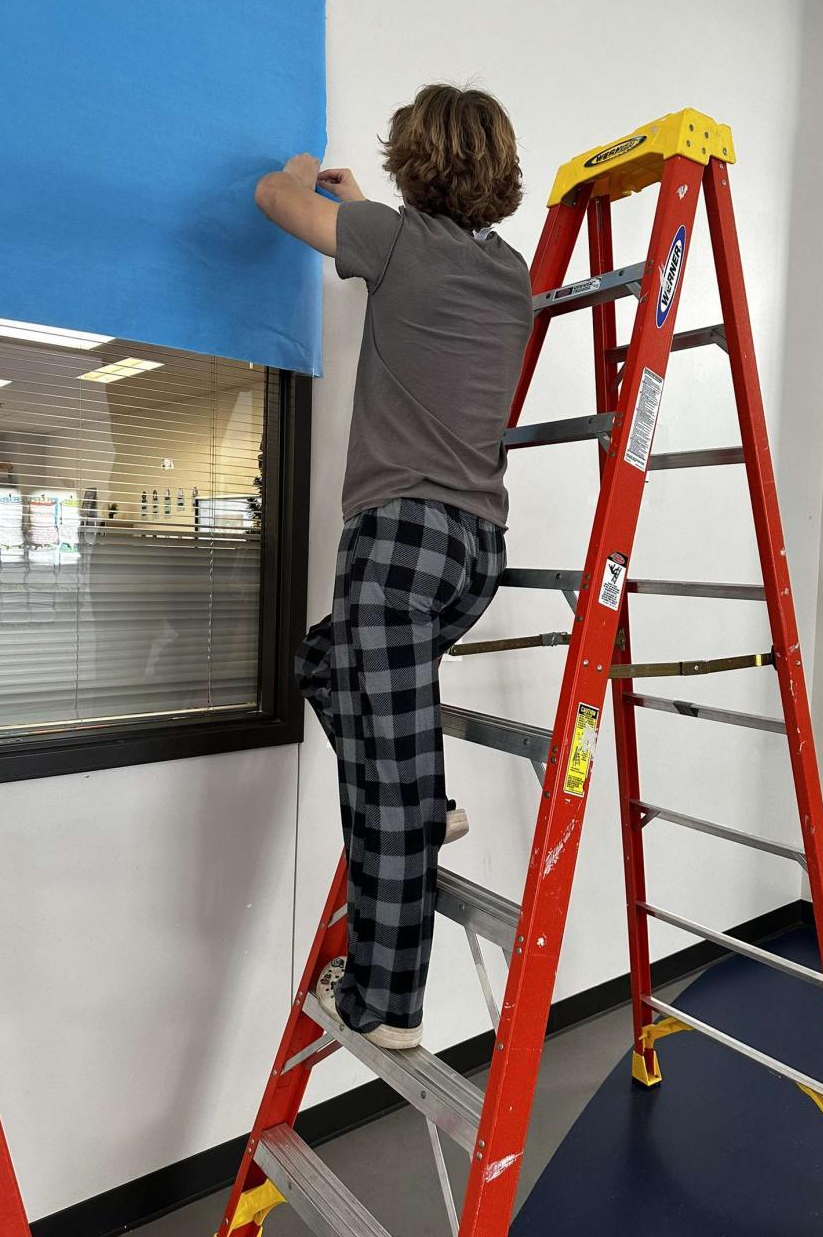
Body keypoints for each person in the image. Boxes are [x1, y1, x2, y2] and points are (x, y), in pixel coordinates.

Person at [255, 83, 533, 1050]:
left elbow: (272, 199)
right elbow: (417, 259)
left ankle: (386, 1004)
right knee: (322, 664)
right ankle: (429, 801)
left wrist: (302, 171)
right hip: (474, 554)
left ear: (416, 163)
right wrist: (363, 206)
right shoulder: (511, 271)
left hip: (398, 545)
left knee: (386, 785)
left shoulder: (395, 242)